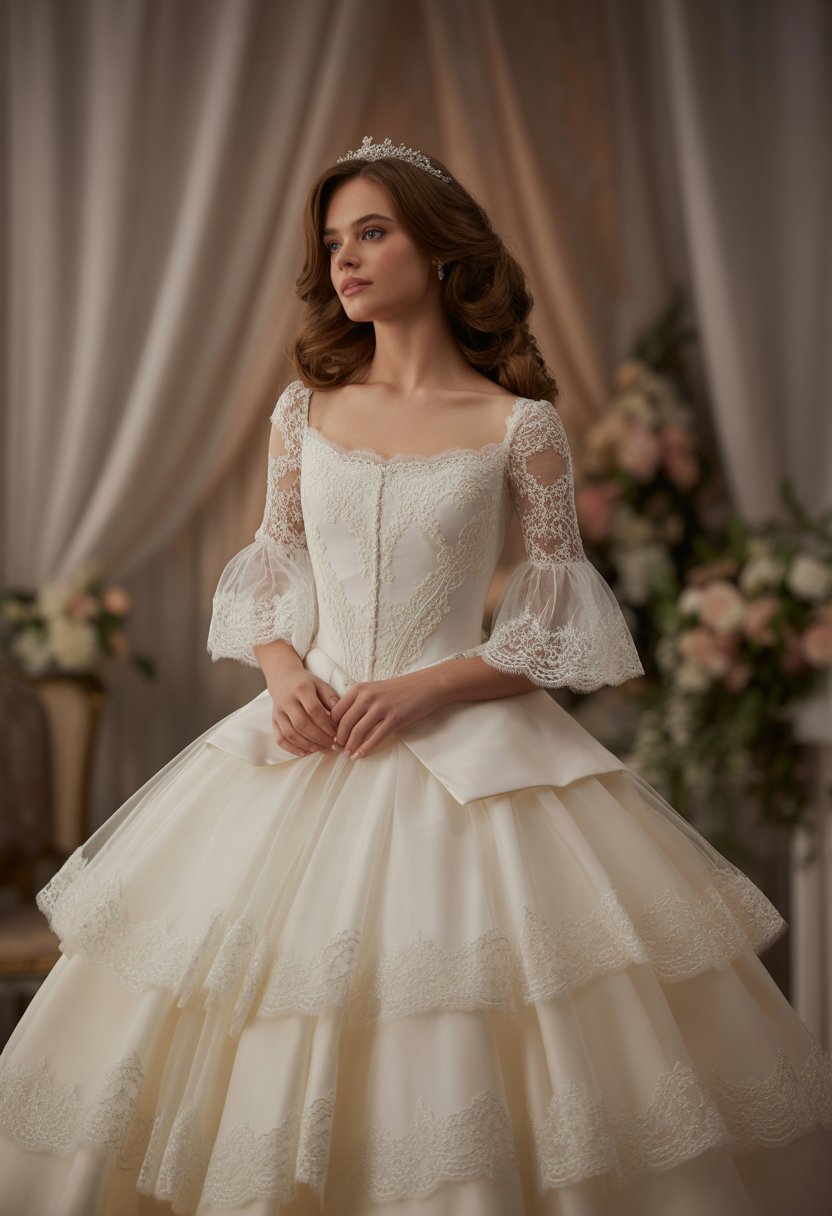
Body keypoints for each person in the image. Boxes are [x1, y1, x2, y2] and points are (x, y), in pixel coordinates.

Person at [0, 135, 830, 1216]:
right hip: (305, 737)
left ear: (438, 251)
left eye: (372, 232)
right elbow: (273, 566)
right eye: (332, 241)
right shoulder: (302, 410)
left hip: (469, 756)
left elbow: (557, 620)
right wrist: (283, 670)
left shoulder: (519, 424)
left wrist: (428, 688)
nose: (343, 259)